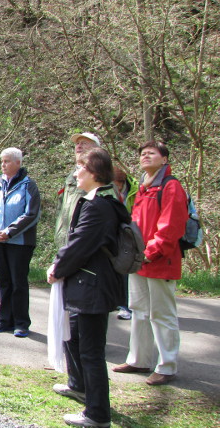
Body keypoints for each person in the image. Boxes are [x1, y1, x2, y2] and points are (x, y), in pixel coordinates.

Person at [47, 148, 127, 428]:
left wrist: (57, 268)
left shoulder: (99, 206)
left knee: (92, 352)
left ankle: (97, 414)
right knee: (74, 338)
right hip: (85, 284)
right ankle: (78, 385)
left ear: (94, 173)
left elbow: (80, 245)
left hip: (94, 286)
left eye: (80, 167)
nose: (75, 172)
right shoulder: (97, 200)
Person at [112, 141, 188, 386]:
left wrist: (150, 252)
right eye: (143, 153)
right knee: (140, 311)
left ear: (164, 159)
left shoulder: (171, 186)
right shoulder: (142, 188)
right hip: (139, 260)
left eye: (151, 153)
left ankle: (167, 366)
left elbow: (170, 227)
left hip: (159, 260)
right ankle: (139, 359)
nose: (145, 156)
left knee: (162, 314)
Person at [0, 147, 41, 337]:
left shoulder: (28, 185)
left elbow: (31, 214)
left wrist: (9, 232)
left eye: (7, 161)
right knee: (4, 282)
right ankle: (4, 320)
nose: (3, 164)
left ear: (18, 163)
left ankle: (21, 323)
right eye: (2, 161)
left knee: (18, 282)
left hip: (20, 243)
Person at [55, 133, 101, 250]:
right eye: (77, 143)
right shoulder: (71, 176)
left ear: (96, 149)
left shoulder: (100, 177)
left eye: (84, 143)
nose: (79, 146)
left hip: (85, 244)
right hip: (65, 241)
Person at [112, 166, 139, 321]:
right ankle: (118, 302)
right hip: (115, 234)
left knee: (125, 271)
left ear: (121, 183)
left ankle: (126, 307)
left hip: (129, 236)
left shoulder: (135, 191)